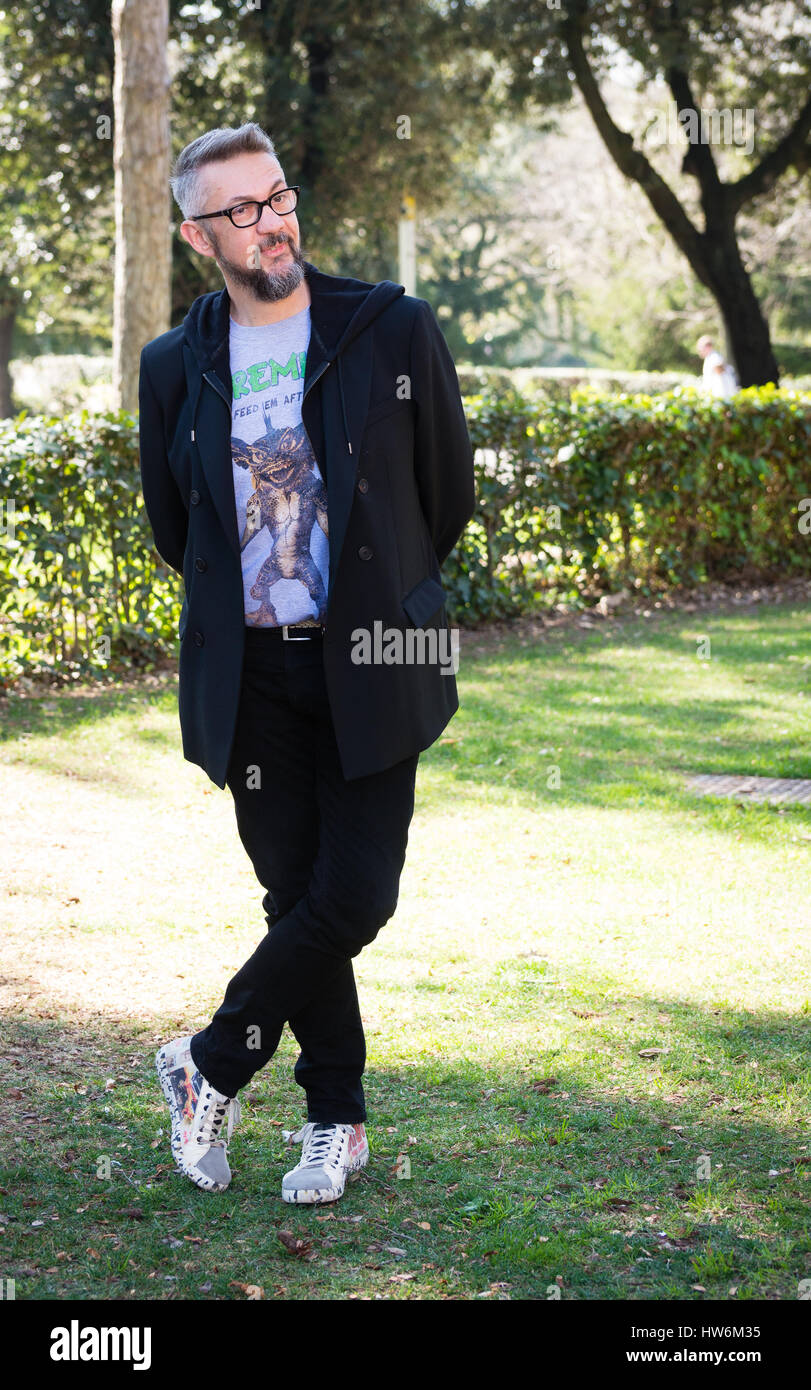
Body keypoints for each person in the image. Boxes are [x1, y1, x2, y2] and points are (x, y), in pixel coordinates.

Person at [139, 123, 476, 1205]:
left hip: (376, 654)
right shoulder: (172, 365)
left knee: (354, 895)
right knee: (296, 897)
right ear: (199, 235)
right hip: (253, 677)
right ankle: (335, 1120)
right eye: (239, 209)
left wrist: (384, 602)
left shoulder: (390, 328)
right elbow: (173, 522)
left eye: (275, 194)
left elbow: (445, 494)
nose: (270, 220)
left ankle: (210, 1060)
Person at [696, 334, 739, 399]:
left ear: (708, 346)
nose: (699, 351)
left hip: (721, 395)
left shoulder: (714, 357)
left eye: (701, 348)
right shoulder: (710, 357)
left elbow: (720, 377)